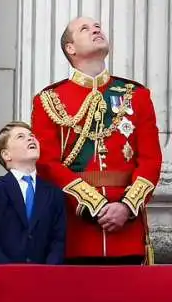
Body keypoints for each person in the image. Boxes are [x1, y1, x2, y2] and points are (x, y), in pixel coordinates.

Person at [31, 16, 162, 265]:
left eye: (98, 26)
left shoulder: (137, 95)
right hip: (76, 231)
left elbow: (151, 160)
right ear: (70, 48)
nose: (96, 30)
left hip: (127, 229)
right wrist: (95, 205)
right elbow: (47, 163)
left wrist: (126, 206)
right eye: (85, 28)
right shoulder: (49, 99)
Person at [0, 121, 66, 264]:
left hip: (43, 277)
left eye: (31, 135)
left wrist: (49, 271)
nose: (30, 138)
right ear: (6, 154)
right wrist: (8, 268)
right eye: (20, 137)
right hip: (2, 275)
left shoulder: (53, 192)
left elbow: (58, 239)